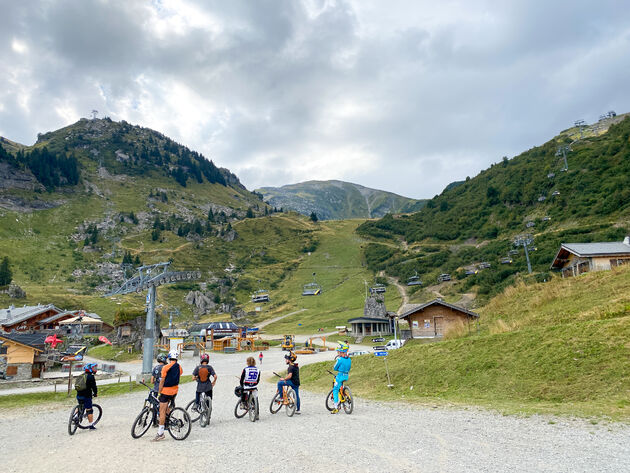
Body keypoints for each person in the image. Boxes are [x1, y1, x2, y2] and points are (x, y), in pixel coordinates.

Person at [153, 351, 183, 441]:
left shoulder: (165, 367)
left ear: (169, 358)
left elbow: (162, 381)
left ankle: (160, 433)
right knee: (166, 407)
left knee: (161, 411)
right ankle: (172, 420)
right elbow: (180, 373)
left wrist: (159, 392)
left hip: (166, 391)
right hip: (175, 391)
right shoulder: (179, 366)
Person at [76, 363, 98, 430]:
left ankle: (75, 417)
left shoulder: (81, 376)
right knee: (89, 410)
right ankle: (91, 425)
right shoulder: (91, 377)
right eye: (94, 368)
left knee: (80, 406)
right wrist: (95, 393)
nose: (95, 369)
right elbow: (94, 387)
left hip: (79, 395)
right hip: (87, 396)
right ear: (90, 369)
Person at [331, 343, 351, 414]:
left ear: (342, 352)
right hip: (346, 376)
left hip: (340, 376)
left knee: (335, 390)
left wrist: (338, 368)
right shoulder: (349, 359)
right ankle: (346, 396)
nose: (338, 353)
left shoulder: (340, 359)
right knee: (341, 387)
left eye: (339, 352)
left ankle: (336, 407)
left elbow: (335, 367)